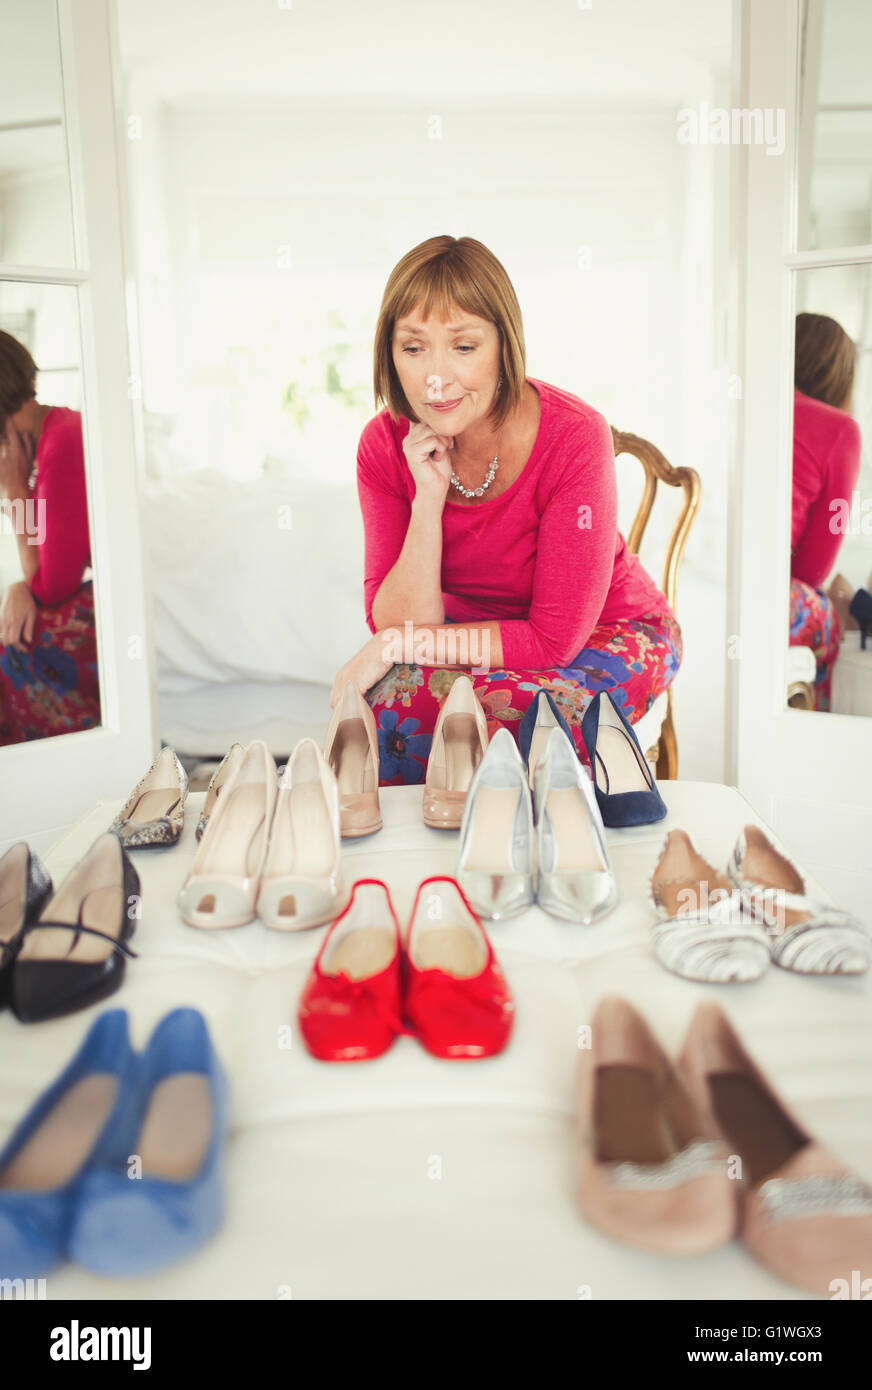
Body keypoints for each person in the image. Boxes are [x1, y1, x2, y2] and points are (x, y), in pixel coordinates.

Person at [330, 235, 682, 785]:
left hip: (608, 630)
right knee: (389, 704)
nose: (435, 378)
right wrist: (428, 502)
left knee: (521, 717)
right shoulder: (383, 446)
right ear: (388, 353)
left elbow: (551, 641)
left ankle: (544, 857)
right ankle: (424, 862)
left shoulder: (575, 435)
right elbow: (398, 618)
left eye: (464, 347)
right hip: (476, 630)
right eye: (414, 347)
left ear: (504, 344)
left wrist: (396, 643)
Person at [0, 330, 100, 743]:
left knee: (13, 644)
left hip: (111, 605)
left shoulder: (60, 446)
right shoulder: (53, 431)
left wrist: (15, 490)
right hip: (97, 592)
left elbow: (52, 585)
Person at [789, 312, 864, 710]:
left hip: (690, 582)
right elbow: (812, 572)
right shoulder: (840, 430)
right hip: (772, 596)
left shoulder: (749, 406)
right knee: (826, 612)